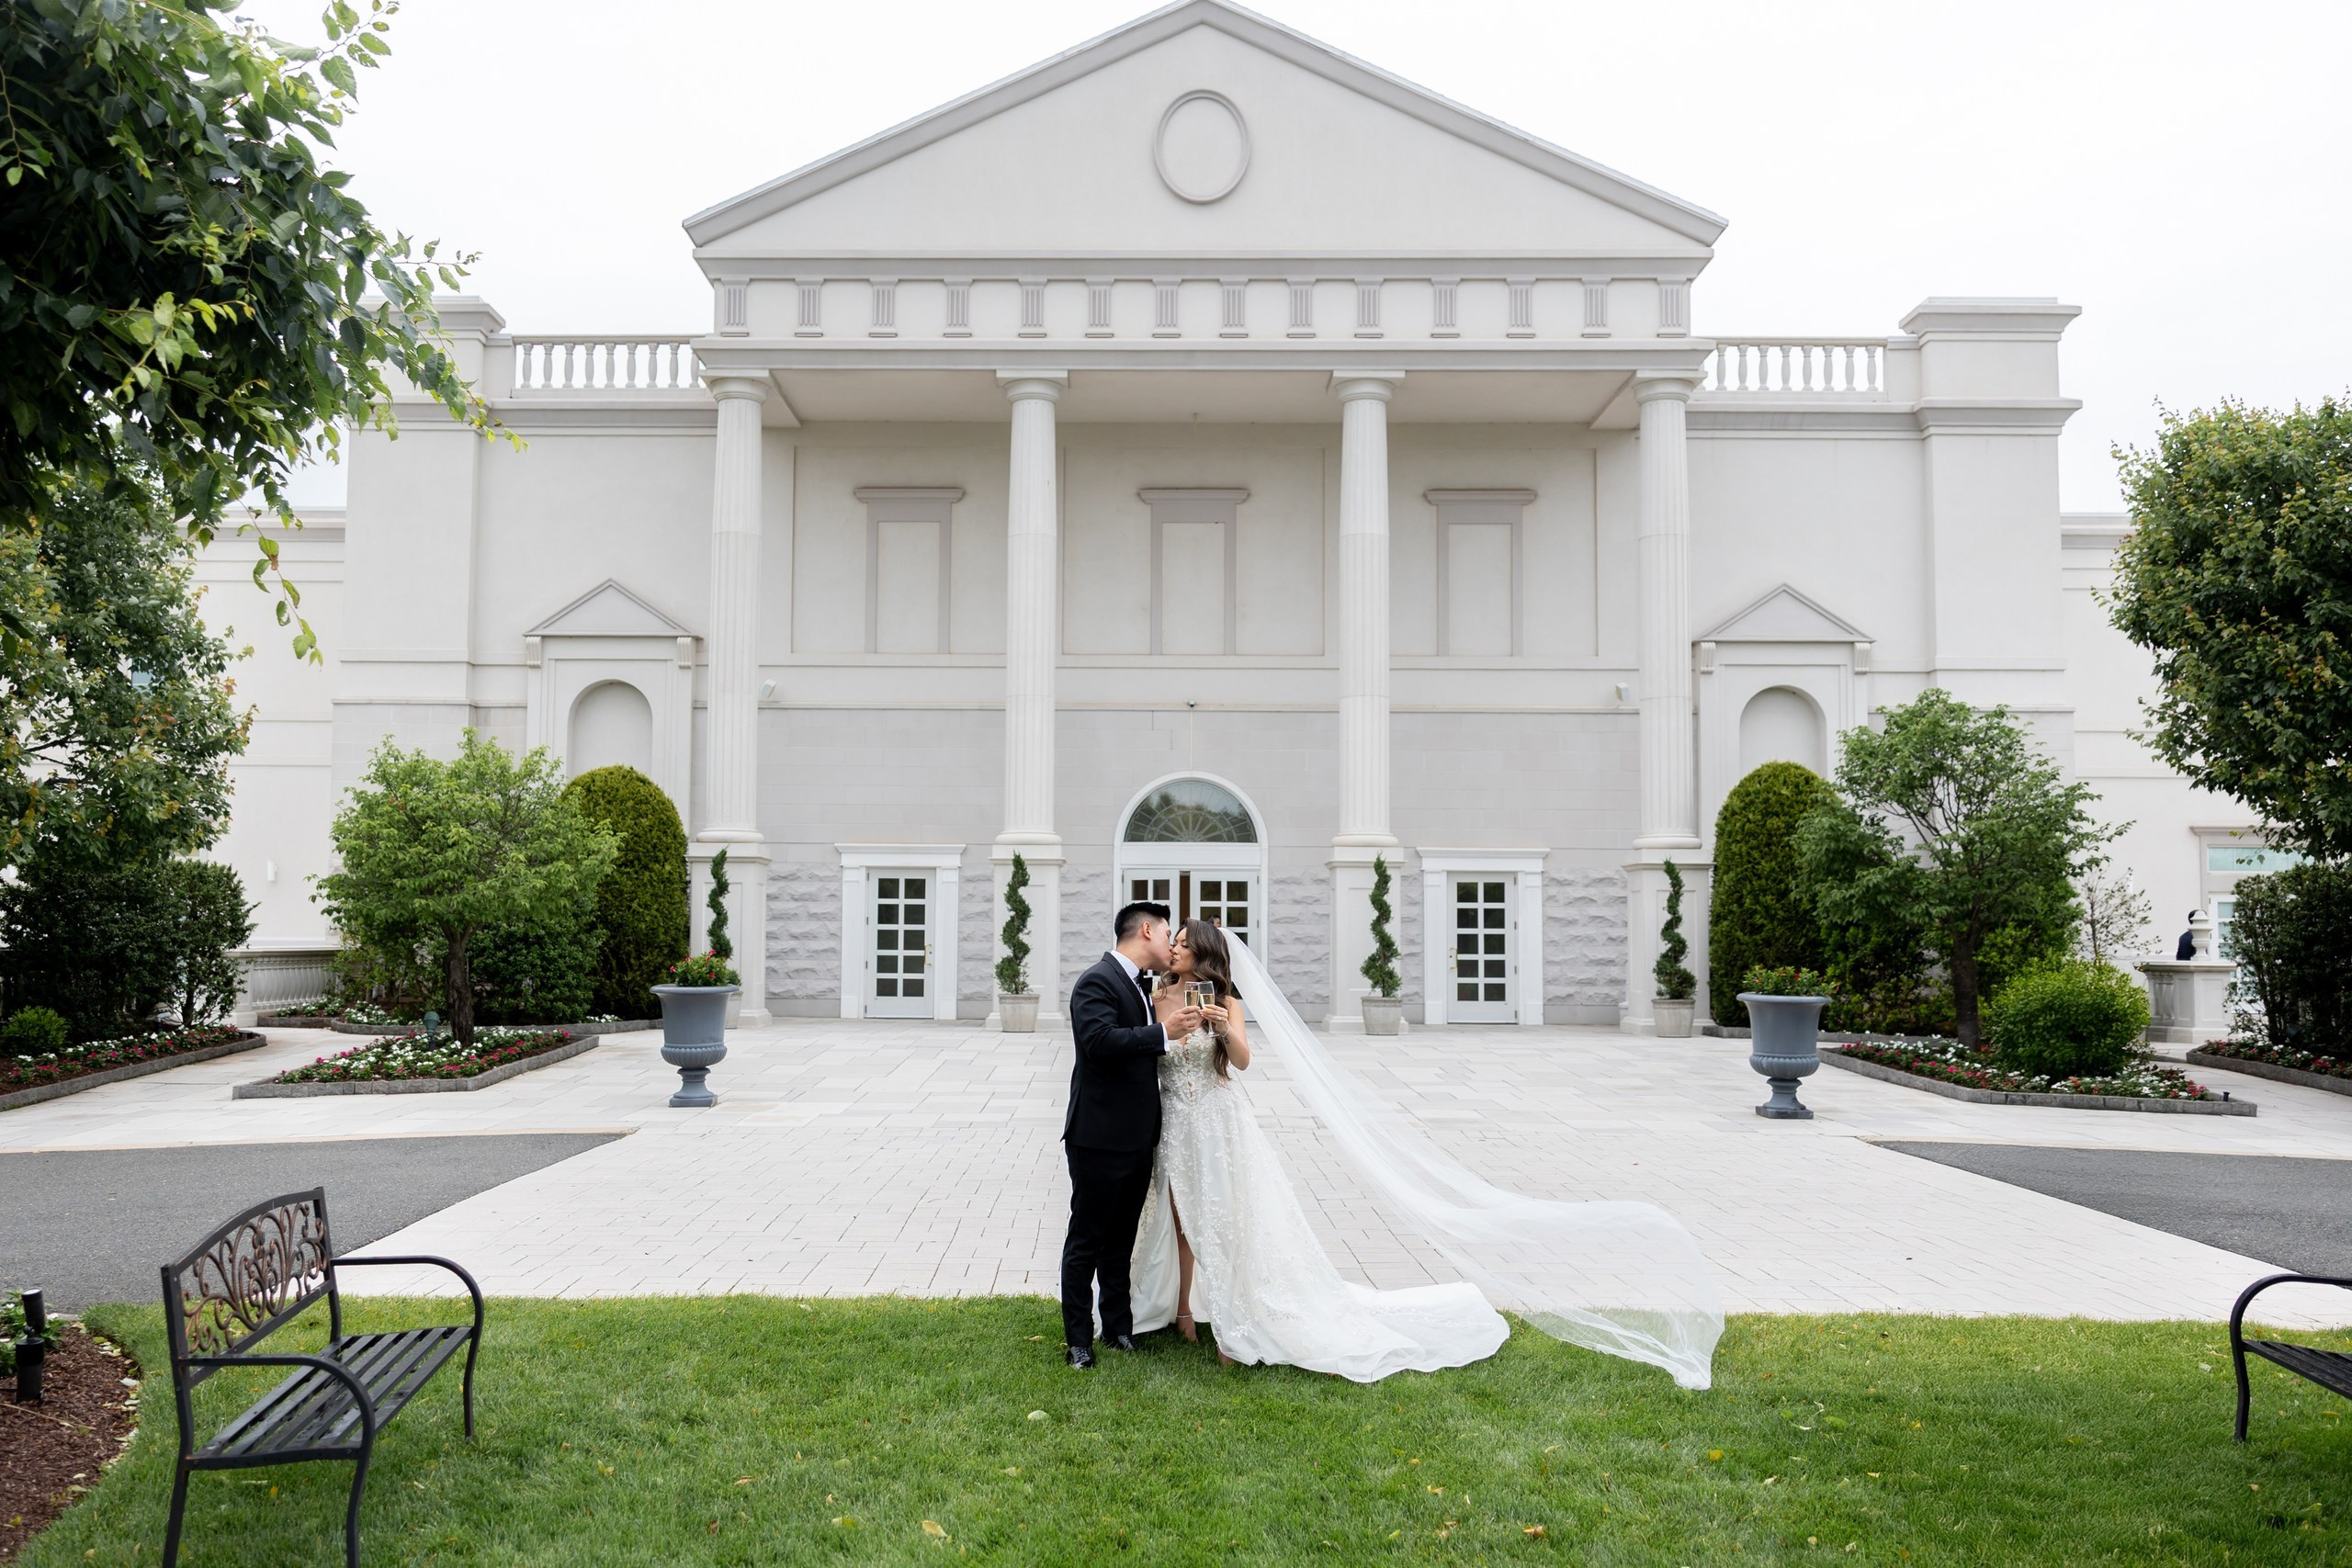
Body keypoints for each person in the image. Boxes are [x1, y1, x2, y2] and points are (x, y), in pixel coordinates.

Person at [1123, 919, 1724, 1390]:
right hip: (1177, 1121)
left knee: (1229, 1221)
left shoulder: (1225, 1000)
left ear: (1203, 953)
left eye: (1180, 943)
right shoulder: (1156, 994)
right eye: (1170, 942)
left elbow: (1246, 1062)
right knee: (1182, 1218)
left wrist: (1219, 1026)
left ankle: (1232, 1325)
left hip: (1222, 1125)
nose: (1171, 949)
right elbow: (1148, 1055)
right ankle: (1182, 1312)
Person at [1058, 901, 1202, 1370]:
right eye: (1167, 936)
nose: (1171, 945)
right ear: (1146, 931)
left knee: (1121, 1241)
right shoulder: (1096, 981)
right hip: (1098, 1136)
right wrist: (1162, 1033)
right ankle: (1079, 1341)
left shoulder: (1145, 986)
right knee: (1087, 1240)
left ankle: (1118, 1328)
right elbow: (1098, 1042)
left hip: (1140, 1138)